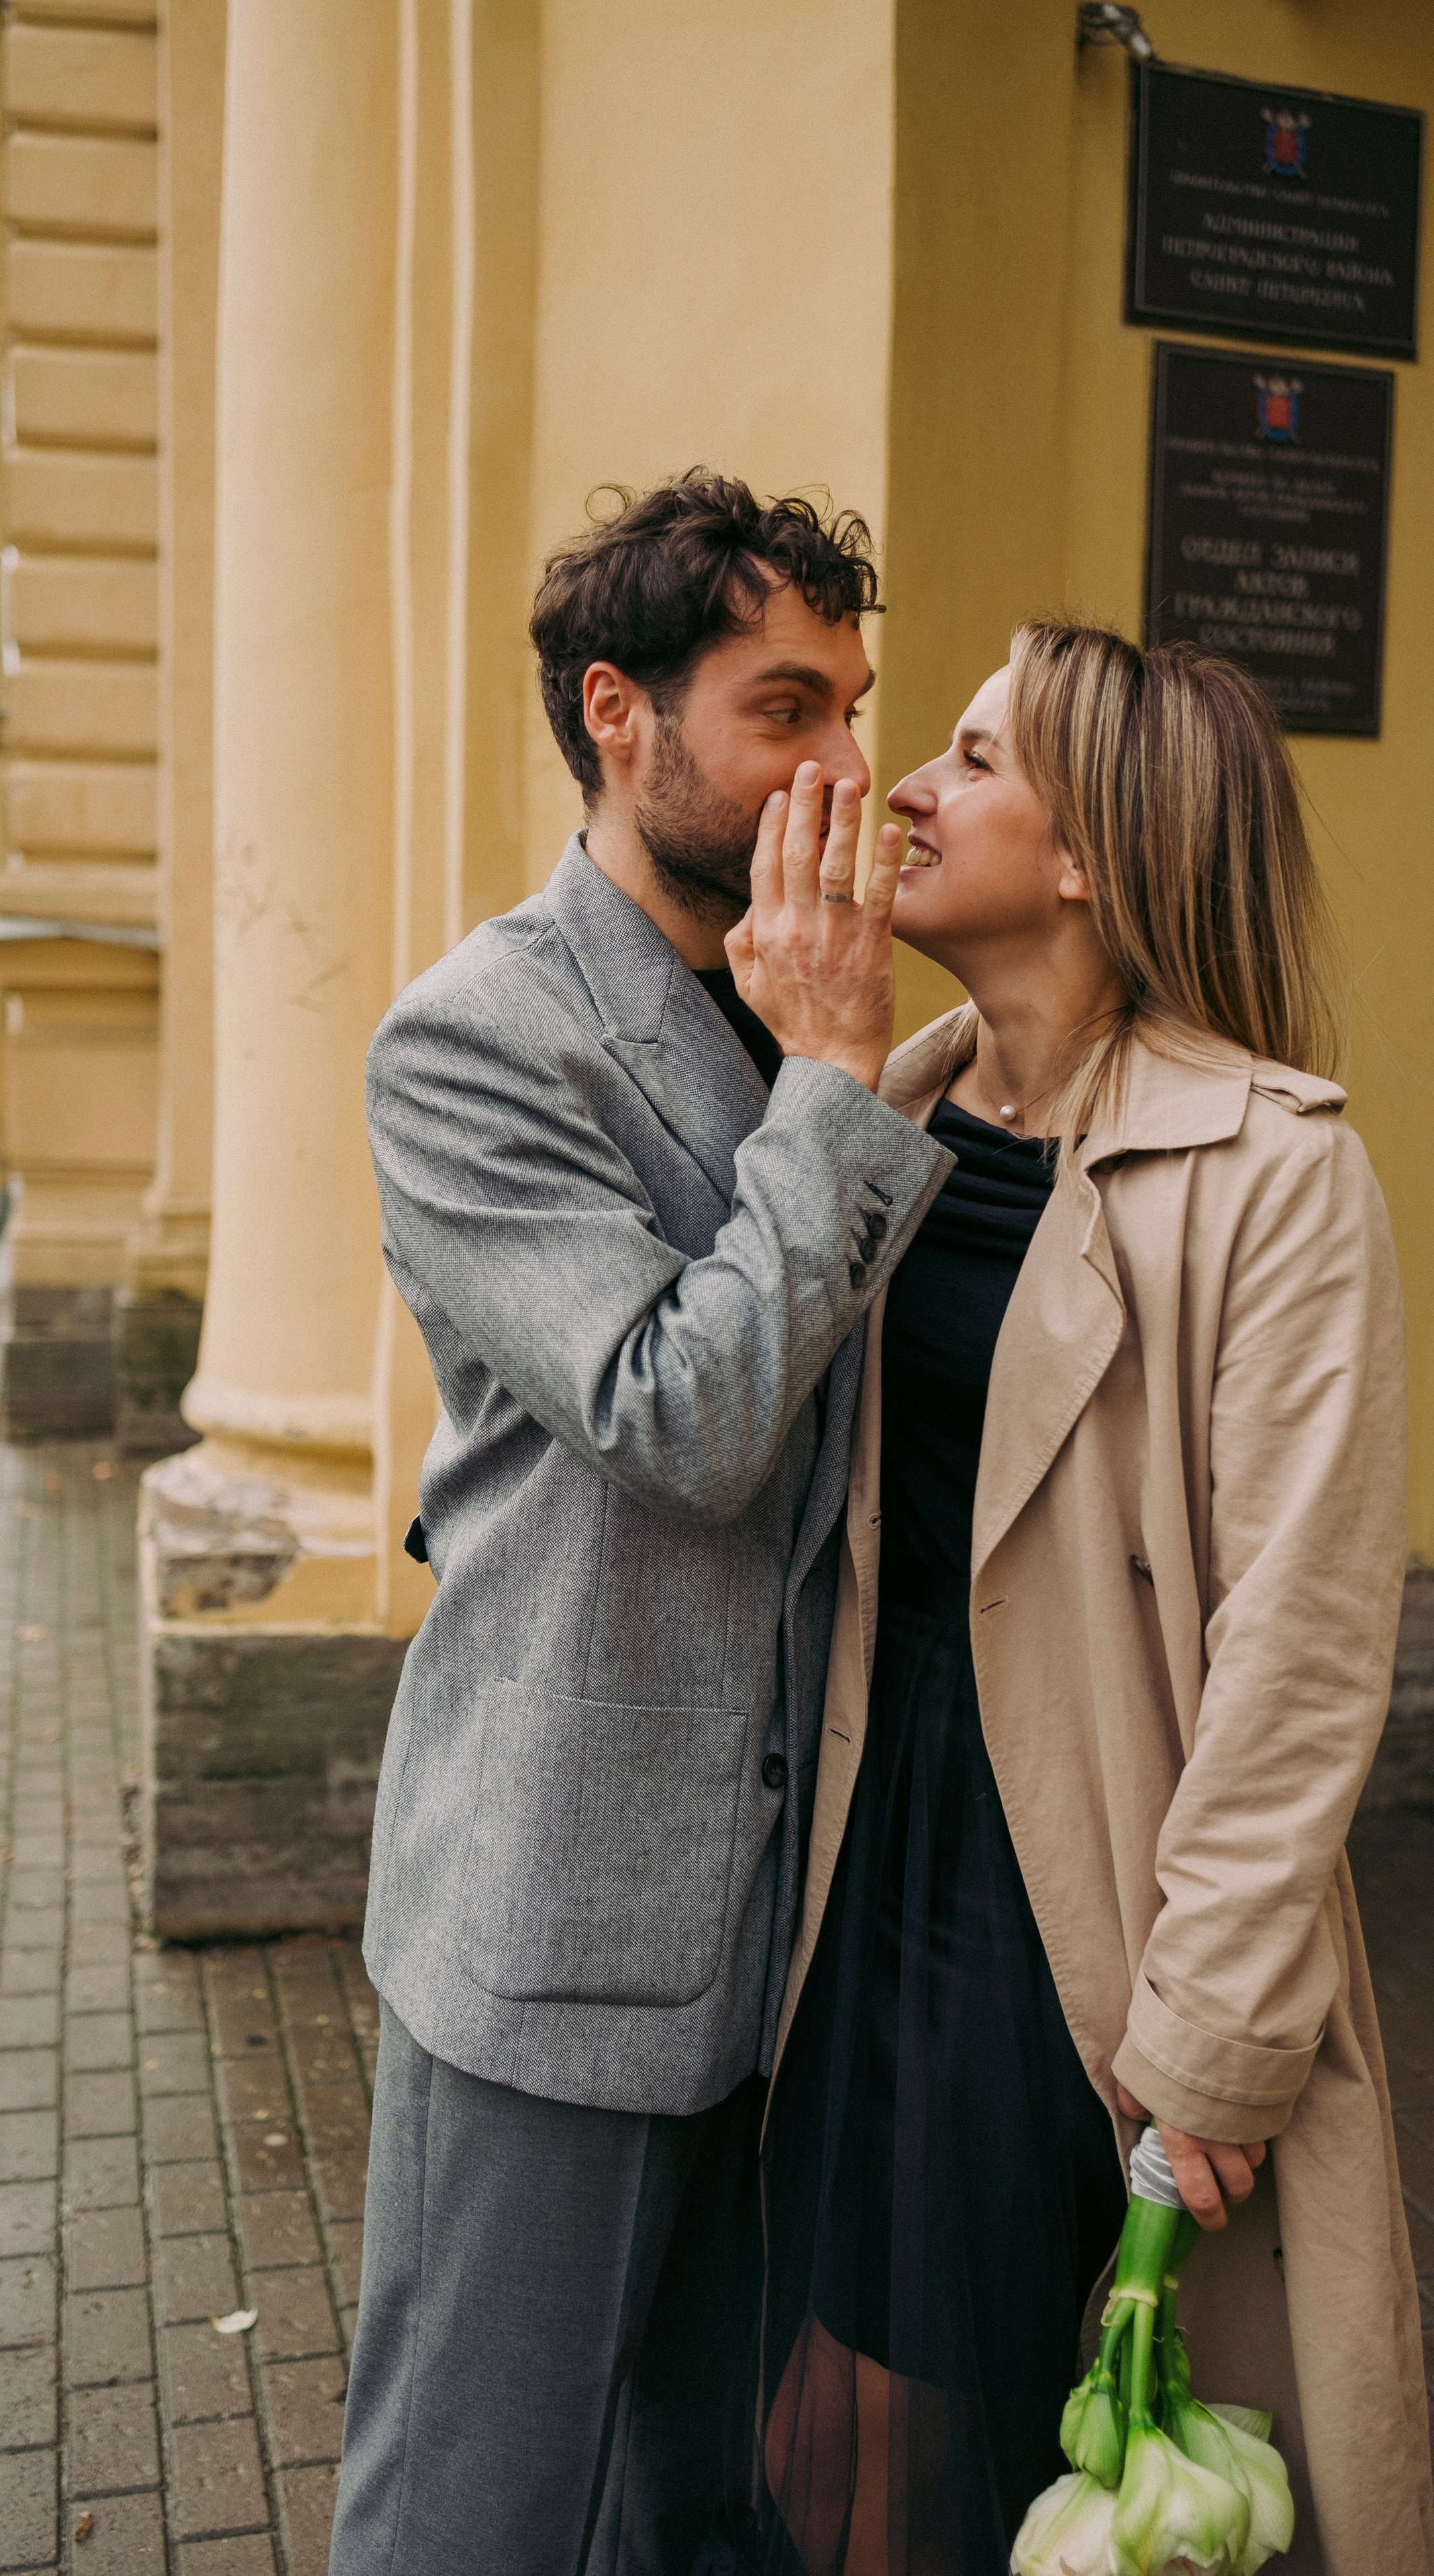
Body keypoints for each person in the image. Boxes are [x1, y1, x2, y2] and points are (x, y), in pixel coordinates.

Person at [756, 623, 1432, 2573]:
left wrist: (1211, 2043)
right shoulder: (876, 1104)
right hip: (874, 1873)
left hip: (1099, 1916)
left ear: (1087, 857)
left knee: (1061, 2467)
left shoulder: (1273, 1172)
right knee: (849, 2432)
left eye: (967, 756)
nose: (903, 784)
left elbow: (1302, 1654)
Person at [330, 473, 954, 2576]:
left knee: (693, 2507)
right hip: (554, 1924)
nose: (846, 768)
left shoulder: (784, 994)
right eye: (788, 707)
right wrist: (838, 1081)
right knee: (475, 2515)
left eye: (857, 707)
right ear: (620, 711)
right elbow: (673, 1415)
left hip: (772, 1930)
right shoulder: (475, 1036)